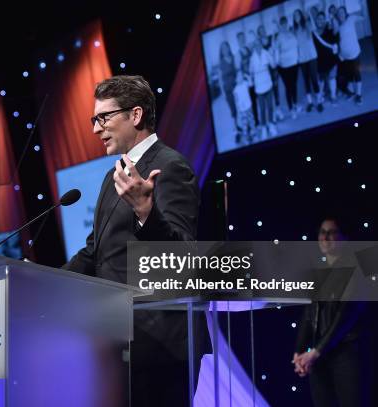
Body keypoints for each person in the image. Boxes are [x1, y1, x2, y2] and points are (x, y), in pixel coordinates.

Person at [62, 75, 204, 407]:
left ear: (135, 115)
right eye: (93, 120)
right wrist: (42, 282)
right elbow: (94, 252)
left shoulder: (171, 167)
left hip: (161, 348)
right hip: (117, 344)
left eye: (103, 117)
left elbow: (183, 255)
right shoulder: (114, 177)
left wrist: (145, 211)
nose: (96, 129)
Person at [293, 217, 373, 406]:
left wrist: (315, 352)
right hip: (320, 357)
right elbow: (309, 314)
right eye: (322, 232)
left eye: (332, 232)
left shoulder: (357, 271)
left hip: (347, 354)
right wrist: (298, 352)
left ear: (345, 238)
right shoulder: (318, 272)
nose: (325, 237)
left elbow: (344, 317)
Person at [334, 6, 364, 105]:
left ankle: (359, 95)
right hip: (345, 56)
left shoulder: (351, 19)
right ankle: (351, 93)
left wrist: (362, 5)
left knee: (356, 73)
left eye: (342, 12)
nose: (340, 14)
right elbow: (337, 38)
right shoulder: (338, 26)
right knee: (350, 75)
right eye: (339, 13)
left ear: (345, 13)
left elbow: (362, 16)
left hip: (355, 53)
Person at [293, 9, 321, 112]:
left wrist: (308, 14)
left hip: (312, 55)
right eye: (295, 16)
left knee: (314, 79)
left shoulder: (308, 24)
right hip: (302, 58)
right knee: (306, 81)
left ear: (301, 15)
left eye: (298, 14)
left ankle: (319, 101)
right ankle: (310, 102)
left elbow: (313, 29)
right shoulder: (294, 30)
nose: (296, 17)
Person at [250, 37, 277, 139]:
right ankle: (264, 127)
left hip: (268, 84)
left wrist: (273, 54)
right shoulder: (252, 58)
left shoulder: (266, 53)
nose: (258, 46)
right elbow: (251, 72)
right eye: (255, 44)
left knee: (270, 106)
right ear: (254, 46)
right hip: (259, 87)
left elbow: (273, 66)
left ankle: (271, 125)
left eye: (259, 44)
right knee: (262, 109)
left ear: (261, 44)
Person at [275, 16, 300, 118]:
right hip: (284, 66)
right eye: (282, 24)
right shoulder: (279, 37)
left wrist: (298, 58)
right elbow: (276, 51)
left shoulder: (291, 33)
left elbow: (296, 46)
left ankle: (295, 105)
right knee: (288, 87)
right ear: (280, 25)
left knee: (294, 85)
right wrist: (278, 63)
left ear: (287, 23)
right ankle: (291, 109)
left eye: (285, 23)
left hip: (295, 63)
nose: (284, 25)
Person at [313, 11, 339, 105]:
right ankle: (321, 95)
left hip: (331, 59)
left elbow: (336, 29)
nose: (320, 20)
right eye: (318, 19)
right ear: (316, 20)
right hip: (320, 61)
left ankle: (333, 96)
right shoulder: (313, 33)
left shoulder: (329, 28)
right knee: (322, 80)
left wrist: (332, 18)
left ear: (325, 20)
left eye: (322, 18)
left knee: (332, 78)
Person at [258, 24, 284, 121]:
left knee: (276, 90)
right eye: (260, 31)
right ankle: (272, 114)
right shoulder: (259, 44)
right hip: (266, 71)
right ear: (259, 34)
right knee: (269, 92)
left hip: (274, 69)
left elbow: (275, 46)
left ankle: (278, 110)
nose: (263, 31)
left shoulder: (270, 38)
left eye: (263, 29)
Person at [219, 41, 238, 131]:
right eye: (223, 49)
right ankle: (235, 129)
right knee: (233, 109)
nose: (225, 50)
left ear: (229, 48)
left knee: (241, 107)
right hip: (228, 89)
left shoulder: (234, 58)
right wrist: (223, 93)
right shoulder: (221, 63)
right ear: (221, 51)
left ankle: (244, 126)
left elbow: (238, 71)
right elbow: (220, 80)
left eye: (226, 47)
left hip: (237, 87)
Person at [233, 70, 255, 144]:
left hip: (249, 107)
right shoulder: (235, 90)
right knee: (244, 124)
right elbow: (236, 101)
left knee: (251, 121)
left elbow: (251, 84)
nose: (240, 77)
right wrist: (238, 110)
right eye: (239, 76)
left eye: (241, 76)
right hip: (242, 110)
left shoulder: (245, 84)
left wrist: (247, 77)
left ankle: (253, 133)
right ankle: (246, 137)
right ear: (236, 79)